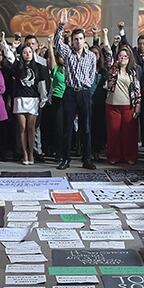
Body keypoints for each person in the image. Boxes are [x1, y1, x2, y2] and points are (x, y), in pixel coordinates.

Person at [54, 10, 99, 170]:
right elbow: (57, 43)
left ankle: (87, 159)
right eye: (75, 39)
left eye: (80, 39)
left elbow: (92, 74)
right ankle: (65, 159)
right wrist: (61, 25)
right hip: (70, 92)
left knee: (86, 127)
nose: (78, 42)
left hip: (85, 93)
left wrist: (85, 85)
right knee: (67, 128)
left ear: (84, 40)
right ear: (72, 41)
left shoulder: (91, 56)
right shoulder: (68, 53)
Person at [3, 39, 48, 165]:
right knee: (22, 128)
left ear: (33, 53)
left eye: (29, 52)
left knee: (31, 128)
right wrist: (13, 48)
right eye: (25, 52)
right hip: (20, 99)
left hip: (33, 100)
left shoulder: (39, 67)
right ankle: (25, 154)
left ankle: (32, 153)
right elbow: (9, 57)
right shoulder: (17, 66)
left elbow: (42, 84)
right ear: (21, 54)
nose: (27, 54)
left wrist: (43, 98)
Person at [103, 39, 142, 165]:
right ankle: (114, 156)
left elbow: (137, 90)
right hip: (112, 106)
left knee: (129, 133)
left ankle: (129, 156)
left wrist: (138, 105)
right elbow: (108, 52)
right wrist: (105, 35)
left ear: (129, 57)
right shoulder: (112, 69)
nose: (123, 58)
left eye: (125, 56)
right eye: (121, 56)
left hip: (128, 106)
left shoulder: (134, 71)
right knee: (114, 132)